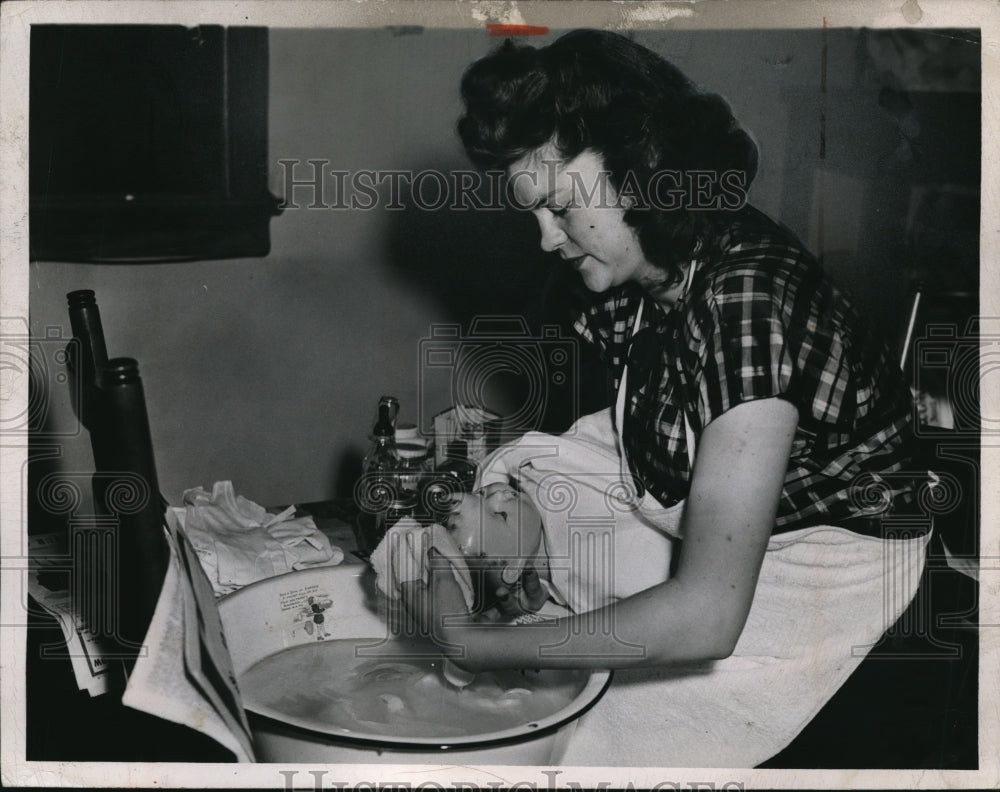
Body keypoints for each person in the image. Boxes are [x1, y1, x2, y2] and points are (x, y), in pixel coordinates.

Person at [399, 29, 932, 765]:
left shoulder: (747, 296)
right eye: (532, 214)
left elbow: (708, 617)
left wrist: (480, 643)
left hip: (829, 568)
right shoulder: (634, 277)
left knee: (586, 746)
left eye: (558, 207)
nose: (545, 239)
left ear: (644, 169)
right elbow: (639, 435)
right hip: (709, 509)